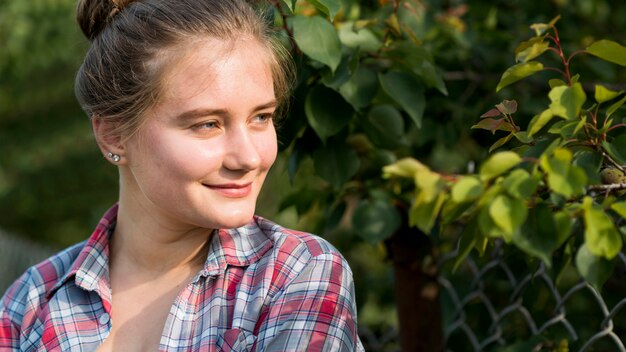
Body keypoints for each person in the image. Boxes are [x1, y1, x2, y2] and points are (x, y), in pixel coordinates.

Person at [0, 0, 364, 350]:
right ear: (113, 134)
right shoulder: (31, 302)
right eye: (208, 124)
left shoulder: (296, 275)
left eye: (261, 117)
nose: (249, 157)